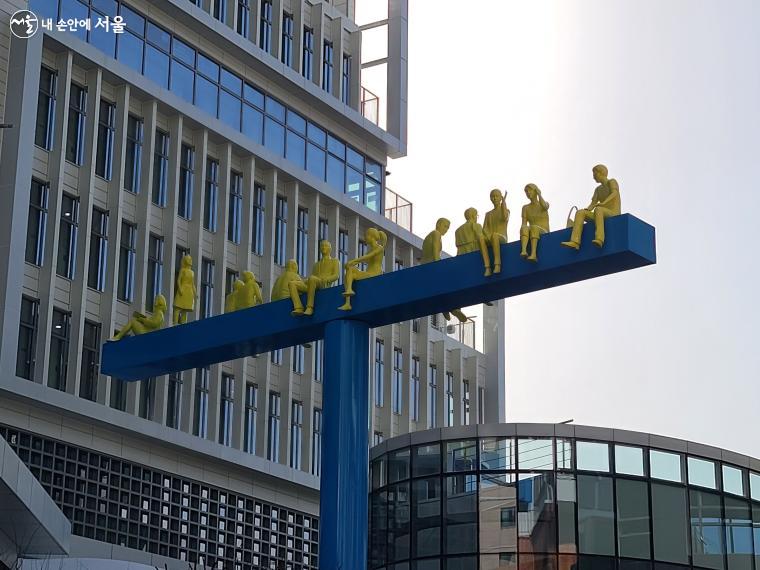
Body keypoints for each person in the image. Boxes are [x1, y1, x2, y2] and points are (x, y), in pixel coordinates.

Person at [561, 164, 621, 249]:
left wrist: (603, 203)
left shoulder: (611, 181)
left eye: (595, 174)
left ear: (601, 172)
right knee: (580, 212)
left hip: (613, 213)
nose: (593, 177)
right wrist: (587, 209)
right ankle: (575, 242)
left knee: (598, 209)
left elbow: (615, 193)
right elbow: (593, 203)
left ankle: (600, 239)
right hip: (600, 214)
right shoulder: (597, 189)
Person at [421, 218, 467, 323]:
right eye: (445, 226)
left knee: (442, 287)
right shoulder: (436, 234)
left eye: (448, 228)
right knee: (454, 282)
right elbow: (435, 252)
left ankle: (445, 307)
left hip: (426, 267)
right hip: (431, 267)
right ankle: (454, 308)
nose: (446, 230)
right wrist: (439, 267)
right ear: (438, 224)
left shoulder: (431, 235)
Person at [338, 227, 387, 311]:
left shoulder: (380, 248)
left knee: (351, 270)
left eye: (366, 236)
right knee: (349, 271)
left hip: (374, 274)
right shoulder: (370, 250)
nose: (365, 238)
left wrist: (353, 261)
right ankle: (348, 302)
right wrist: (350, 264)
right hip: (368, 274)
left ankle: (348, 295)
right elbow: (364, 259)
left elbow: (368, 256)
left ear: (371, 236)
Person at [291, 240, 341, 316]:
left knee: (312, 278)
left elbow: (336, 275)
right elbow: (312, 278)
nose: (323, 247)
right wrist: (304, 281)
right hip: (313, 284)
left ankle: (310, 307)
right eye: (322, 246)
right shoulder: (316, 264)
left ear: (330, 249)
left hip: (324, 284)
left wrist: (327, 279)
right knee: (292, 283)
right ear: (320, 249)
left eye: (326, 246)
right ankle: (298, 307)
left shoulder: (334, 261)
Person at [454, 207, 491, 276]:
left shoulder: (458, 230)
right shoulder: (476, 225)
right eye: (477, 215)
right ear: (473, 215)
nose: (477, 217)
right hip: (475, 255)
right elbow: (481, 239)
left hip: (461, 257)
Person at [520, 183, 550, 262]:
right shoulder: (525, 208)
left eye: (530, 190)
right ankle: (524, 250)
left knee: (533, 227)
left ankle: (533, 254)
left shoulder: (543, 203)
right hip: (532, 230)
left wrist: (539, 194)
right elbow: (524, 223)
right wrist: (523, 230)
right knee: (524, 227)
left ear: (535, 191)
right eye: (526, 191)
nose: (528, 193)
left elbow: (545, 206)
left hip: (543, 230)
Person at [483, 188, 509, 274]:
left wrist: (504, 203)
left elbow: (505, 217)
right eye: (492, 196)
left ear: (500, 198)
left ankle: (497, 264)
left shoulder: (505, 210)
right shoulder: (488, 214)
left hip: (501, 237)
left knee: (494, 235)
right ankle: (487, 267)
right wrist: (487, 236)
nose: (494, 198)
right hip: (490, 237)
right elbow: (485, 228)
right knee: (480, 238)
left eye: (496, 196)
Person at [173, 254, 196, 324]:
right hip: (183, 289)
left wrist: (195, 293)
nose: (190, 261)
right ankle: (175, 322)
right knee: (178, 307)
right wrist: (180, 289)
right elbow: (178, 280)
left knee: (185, 309)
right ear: (185, 261)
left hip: (189, 292)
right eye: (189, 259)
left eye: (191, 259)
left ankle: (183, 324)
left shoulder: (192, 272)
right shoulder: (182, 270)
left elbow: (192, 284)